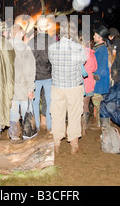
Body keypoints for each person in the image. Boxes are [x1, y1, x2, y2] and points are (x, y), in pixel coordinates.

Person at [48, 20, 87, 155]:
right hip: (74, 86)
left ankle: (57, 143)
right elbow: (83, 61)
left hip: (58, 86)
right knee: (74, 114)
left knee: (57, 114)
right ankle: (74, 144)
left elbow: (52, 61)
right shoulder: (79, 48)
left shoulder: (52, 48)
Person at [8, 24, 36, 140]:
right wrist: (30, 88)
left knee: (13, 113)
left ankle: (14, 137)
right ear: (21, 34)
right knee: (26, 112)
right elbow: (30, 70)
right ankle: (27, 137)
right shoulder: (25, 48)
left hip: (9, 87)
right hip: (23, 87)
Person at [31, 16, 56, 133]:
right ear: (46, 28)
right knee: (49, 100)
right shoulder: (52, 41)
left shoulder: (32, 41)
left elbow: (30, 59)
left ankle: (36, 126)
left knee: (35, 101)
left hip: (35, 76)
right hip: (48, 75)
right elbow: (54, 59)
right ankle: (50, 126)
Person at [91, 25, 110, 129]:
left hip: (100, 80)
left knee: (98, 102)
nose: (93, 36)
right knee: (97, 102)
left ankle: (100, 124)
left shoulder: (102, 49)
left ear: (100, 37)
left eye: (95, 35)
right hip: (98, 79)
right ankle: (98, 122)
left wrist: (95, 79)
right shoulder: (98, 47)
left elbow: (102, 67)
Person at [79, 35, 97, 135]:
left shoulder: (76, 52)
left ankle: (78, 126)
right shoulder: (91, 53)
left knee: (78, 105)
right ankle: (84, 127)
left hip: (79, 81)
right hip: (89, 81)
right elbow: (94, 68)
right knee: (86, 105)